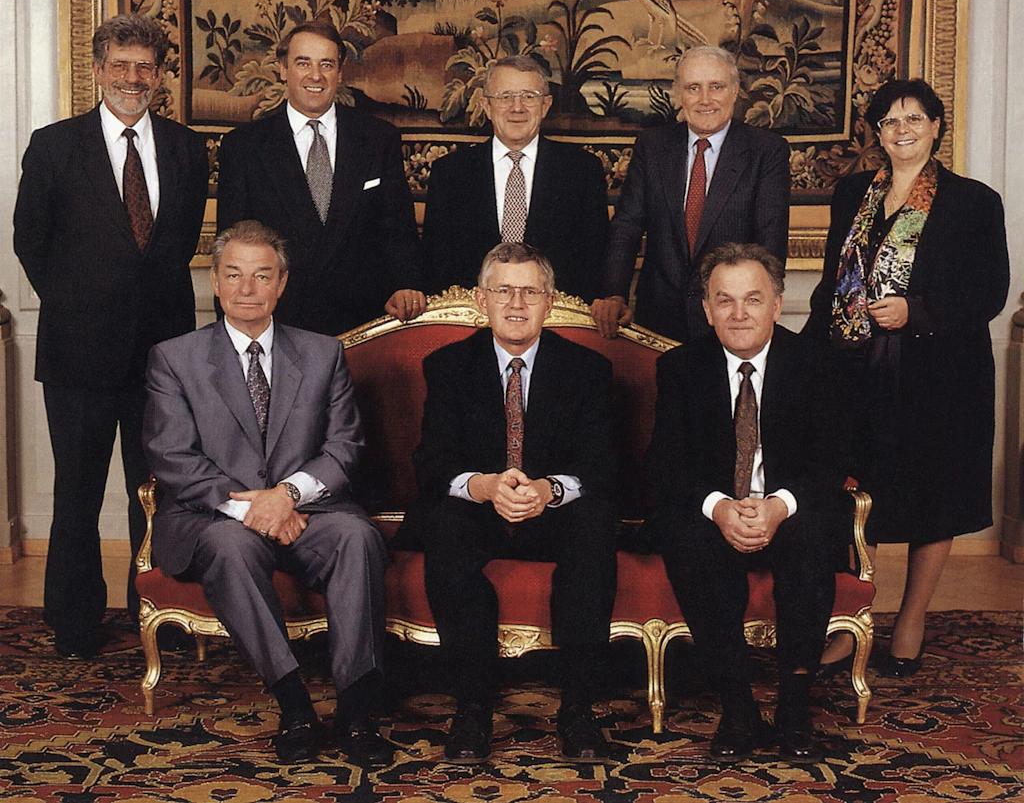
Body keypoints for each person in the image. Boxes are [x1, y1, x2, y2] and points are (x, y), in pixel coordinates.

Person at [142, 220, 391, 766]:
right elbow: (173, 458)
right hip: (213, 518)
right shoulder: (174, 358)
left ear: (282, 284)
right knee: (232, 548)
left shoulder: (322, 353)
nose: (246, 289)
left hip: (308, 512)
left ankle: (355, 709)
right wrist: (255, 507)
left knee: (358, 536)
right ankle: (295, 704)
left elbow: (345, 445)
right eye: (233, 274)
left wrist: (288, 496)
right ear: (214, 281)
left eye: (261, 276)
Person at [13, 13, 208, 658]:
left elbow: (175, 246)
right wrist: (80, 303)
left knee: (158, 487)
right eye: (120, 65)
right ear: (97, 71)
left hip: (164, 352)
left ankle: (157, 609)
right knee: (80, 488)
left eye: (145, 67)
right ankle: (73, 623)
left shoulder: (186, 149)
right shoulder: (52, 145)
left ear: (160, 75)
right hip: (79, 351)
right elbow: (29, 242)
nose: (133, 78)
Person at [804, 79, 1010, 678]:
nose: (902, 131)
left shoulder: (974, 201)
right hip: (854, 371)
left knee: (932, 497)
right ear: (876, 131)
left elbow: (989, 292)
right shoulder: (851, 194)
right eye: (889, 122)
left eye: (914, 119)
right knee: (848, 495)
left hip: (939, 377)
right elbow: (832, 281)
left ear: (937, 126)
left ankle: (912, 619)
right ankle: (849, 624)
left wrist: (914, 311)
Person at [399, 243, 619, 763]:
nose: (516, 302)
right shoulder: (448, 365)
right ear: (481, 300)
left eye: (530, 291)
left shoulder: (587, 369)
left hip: (554, 511)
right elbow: (432, 464)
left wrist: (548, 490)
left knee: (594, 524)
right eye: (503, 290)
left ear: (549, 302)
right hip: (478, 508)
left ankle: (578, 708)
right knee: (446, 525)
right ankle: (472, 708)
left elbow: (602, 466)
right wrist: (484, 486)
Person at [649, 243, 844, 764]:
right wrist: (719, 507)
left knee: (813, 531)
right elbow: (665, 467)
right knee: (686, 531)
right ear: (708, 309)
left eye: (753, 300)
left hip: (789, 511)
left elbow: (832, 464)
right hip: (719, 513)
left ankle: (795, 705)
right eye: (725, 301)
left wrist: (778, 506)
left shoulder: (817, 365)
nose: (739, 314)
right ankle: (737, 706)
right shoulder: (681, 368)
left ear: (778, 305)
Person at [217, 21, 423, 335]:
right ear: (282, 69)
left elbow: (399, 232)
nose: (316, 76)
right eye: (303, 64)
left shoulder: (379, 139)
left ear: (340, 73)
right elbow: (231, 248)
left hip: (365, 325)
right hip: (280, 326)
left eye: (326, 65)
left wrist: (405, 285)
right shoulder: (243, 148)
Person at [592, 46, 790, 342]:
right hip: (656, 318)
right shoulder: (652, 146)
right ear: (677, 93)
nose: (705, 99)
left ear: (735, 91)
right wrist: (614, 293)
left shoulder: (767, 151)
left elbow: (769, 246)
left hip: (731, 322)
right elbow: (627, 226)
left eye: (717, 87)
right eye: (693, 88)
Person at [422, 55, 609, 301]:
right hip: (470, 318)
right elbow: (435, 267)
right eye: (505, 97)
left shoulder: (583, 171)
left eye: (529, 96)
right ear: (487, 106)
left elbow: (596, 263)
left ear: (546, 105)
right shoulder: (449, 174)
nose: (517, 107)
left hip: (559, 319)